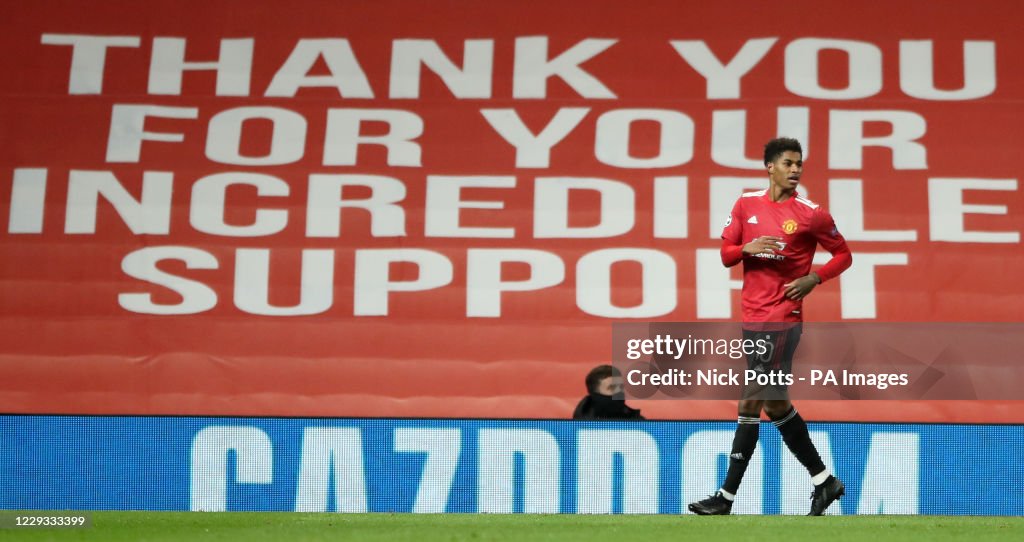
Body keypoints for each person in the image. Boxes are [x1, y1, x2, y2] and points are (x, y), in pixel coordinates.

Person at [688, 137, 852, 516]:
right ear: (770, 167)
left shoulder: (812, 214)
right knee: (776, 406)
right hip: (753, 316)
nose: (796, 170)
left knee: (750, 401)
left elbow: (843, 255)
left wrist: (816, 278)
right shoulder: (746, 204)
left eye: (799, 164)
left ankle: (724, 498)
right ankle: (825, 481)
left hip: (782, 318)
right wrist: (747, 247)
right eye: (789, 163)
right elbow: (727, 255)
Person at [572, 365, 645, 420]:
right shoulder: (577, 428)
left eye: (621, 387)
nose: (618, 392)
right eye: (612, 388)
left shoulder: (638, 423)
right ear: (595, 394)